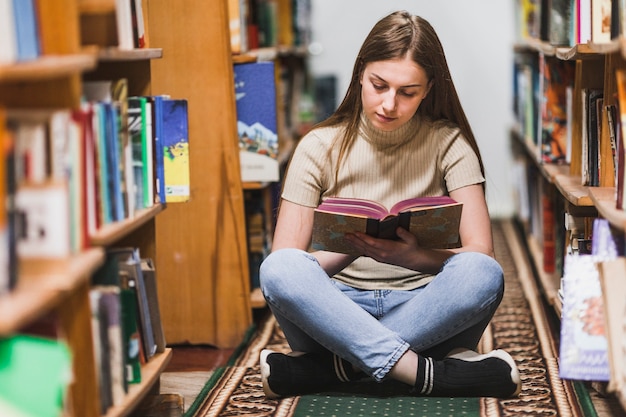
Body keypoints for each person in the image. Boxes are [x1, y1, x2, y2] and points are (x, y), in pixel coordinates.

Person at [258, 10, 521, 399]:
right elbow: (289, 262)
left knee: (482, 272)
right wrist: (353, 248)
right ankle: (430, 374)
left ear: (429, 88)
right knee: (278, 269)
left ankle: (335, 369)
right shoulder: (317, 146)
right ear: (361, 72)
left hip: (427, 306)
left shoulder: (448, 143)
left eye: (407, 92)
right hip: (336, 310)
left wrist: (411, 258)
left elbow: (480, 251)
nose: (389, 104)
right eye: (379, 85)